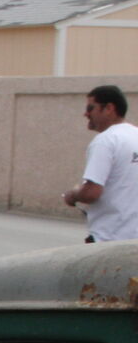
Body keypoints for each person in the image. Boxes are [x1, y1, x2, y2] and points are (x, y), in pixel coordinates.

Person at [62, 84, 138, 243]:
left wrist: (73, 195)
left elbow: (91, 192)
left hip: (109, 240)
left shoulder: (105, 141)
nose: (86, 114)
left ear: (109, 108)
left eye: (90, 108)